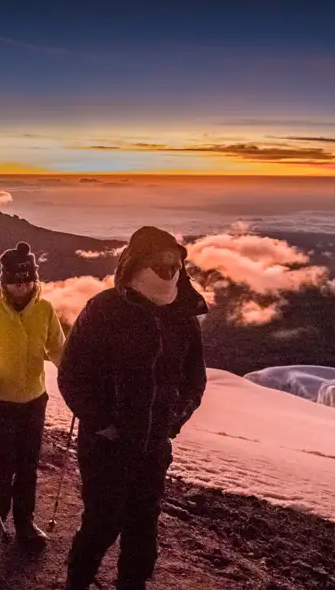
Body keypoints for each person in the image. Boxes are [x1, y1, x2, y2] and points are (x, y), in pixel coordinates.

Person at [58, 226, 209, 590]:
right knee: (102, 523)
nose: (169, 272)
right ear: (136, 265)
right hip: (106, 447)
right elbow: (73, 375)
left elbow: (194, 378)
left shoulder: (181, 316)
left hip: (154, 447)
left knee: (143, 529)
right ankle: (76, 582)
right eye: (159, 264)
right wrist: (102, 423)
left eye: (175, 265)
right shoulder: (104, 309)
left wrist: (174, 420)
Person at [0, 242, 65, 551]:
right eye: (15, 279)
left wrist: (76, 373)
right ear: (4, 281)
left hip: (34, 401)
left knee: (27, 466)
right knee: (1, 467)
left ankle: (24, 523)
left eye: (27, 278)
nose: (22, 284)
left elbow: (56, 347)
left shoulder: (45, 309)